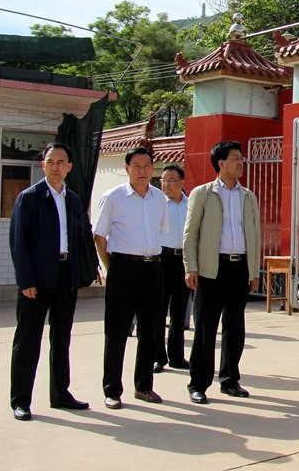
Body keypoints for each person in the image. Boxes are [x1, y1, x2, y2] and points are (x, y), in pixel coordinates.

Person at [9, 143, 90, 421]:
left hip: (65, 276)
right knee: (28, 340)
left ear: (69, 167)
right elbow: (19, 243)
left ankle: (60, 394)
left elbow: (78, 238)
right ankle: (21, 400)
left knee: (62, 337)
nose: (55, 167)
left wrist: (79, 273)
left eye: (61, 162)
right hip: (37, 278)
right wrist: (26, 280)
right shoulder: (29, 198)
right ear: (43, 165)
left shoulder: (73, 200)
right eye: (50, 161)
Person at [184, 141, 260, 404]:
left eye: (241, 158)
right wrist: (191, 267)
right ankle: (198, 383)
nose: (240, 162)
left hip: (239, 268)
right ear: (221, 163)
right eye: (235, 158)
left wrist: (254, 271)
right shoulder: (203, 194)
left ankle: (229, 380)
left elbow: (254, 235)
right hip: (211, 269)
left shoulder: (248, 196)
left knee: (235, 328)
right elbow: (190, 233)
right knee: (206, 329)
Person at [94, 147, 168, 410]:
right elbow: (99, 236)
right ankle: (112, 390)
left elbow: (160, 232)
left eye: (147, 165)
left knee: (150, 331)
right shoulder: (113, 197)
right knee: (117, 331)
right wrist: (111, 267)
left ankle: (144, 386)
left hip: (152, 268)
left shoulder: (159, 198)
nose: (142, 171)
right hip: (123, 268)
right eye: (136, 165)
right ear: (127, 168)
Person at [153, 165, 191, 373]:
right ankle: (158, 356)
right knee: (158, 310)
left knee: (179, 310)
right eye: (164, 180)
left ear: (182, 182)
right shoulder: (157, 203)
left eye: (171, 180)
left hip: (183, 260)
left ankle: (177, 356)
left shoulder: (190, 204)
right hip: (162, 259)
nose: (166, 184)